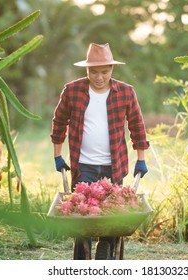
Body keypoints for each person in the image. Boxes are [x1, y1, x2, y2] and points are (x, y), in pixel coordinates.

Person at [50, 43, 150, 259]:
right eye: (94, 72)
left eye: (104, 72)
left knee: (113, 217)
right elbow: (59, 123)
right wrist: (58, 156)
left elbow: (137, 127)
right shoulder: (73, 90)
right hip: (82, 166)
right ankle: (81, 260)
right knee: (81, 220)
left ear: (112, 70)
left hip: (114, 167)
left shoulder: (125, 92)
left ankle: (106, 252)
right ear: (87, 70)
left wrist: (141, 159)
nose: (99, 77)